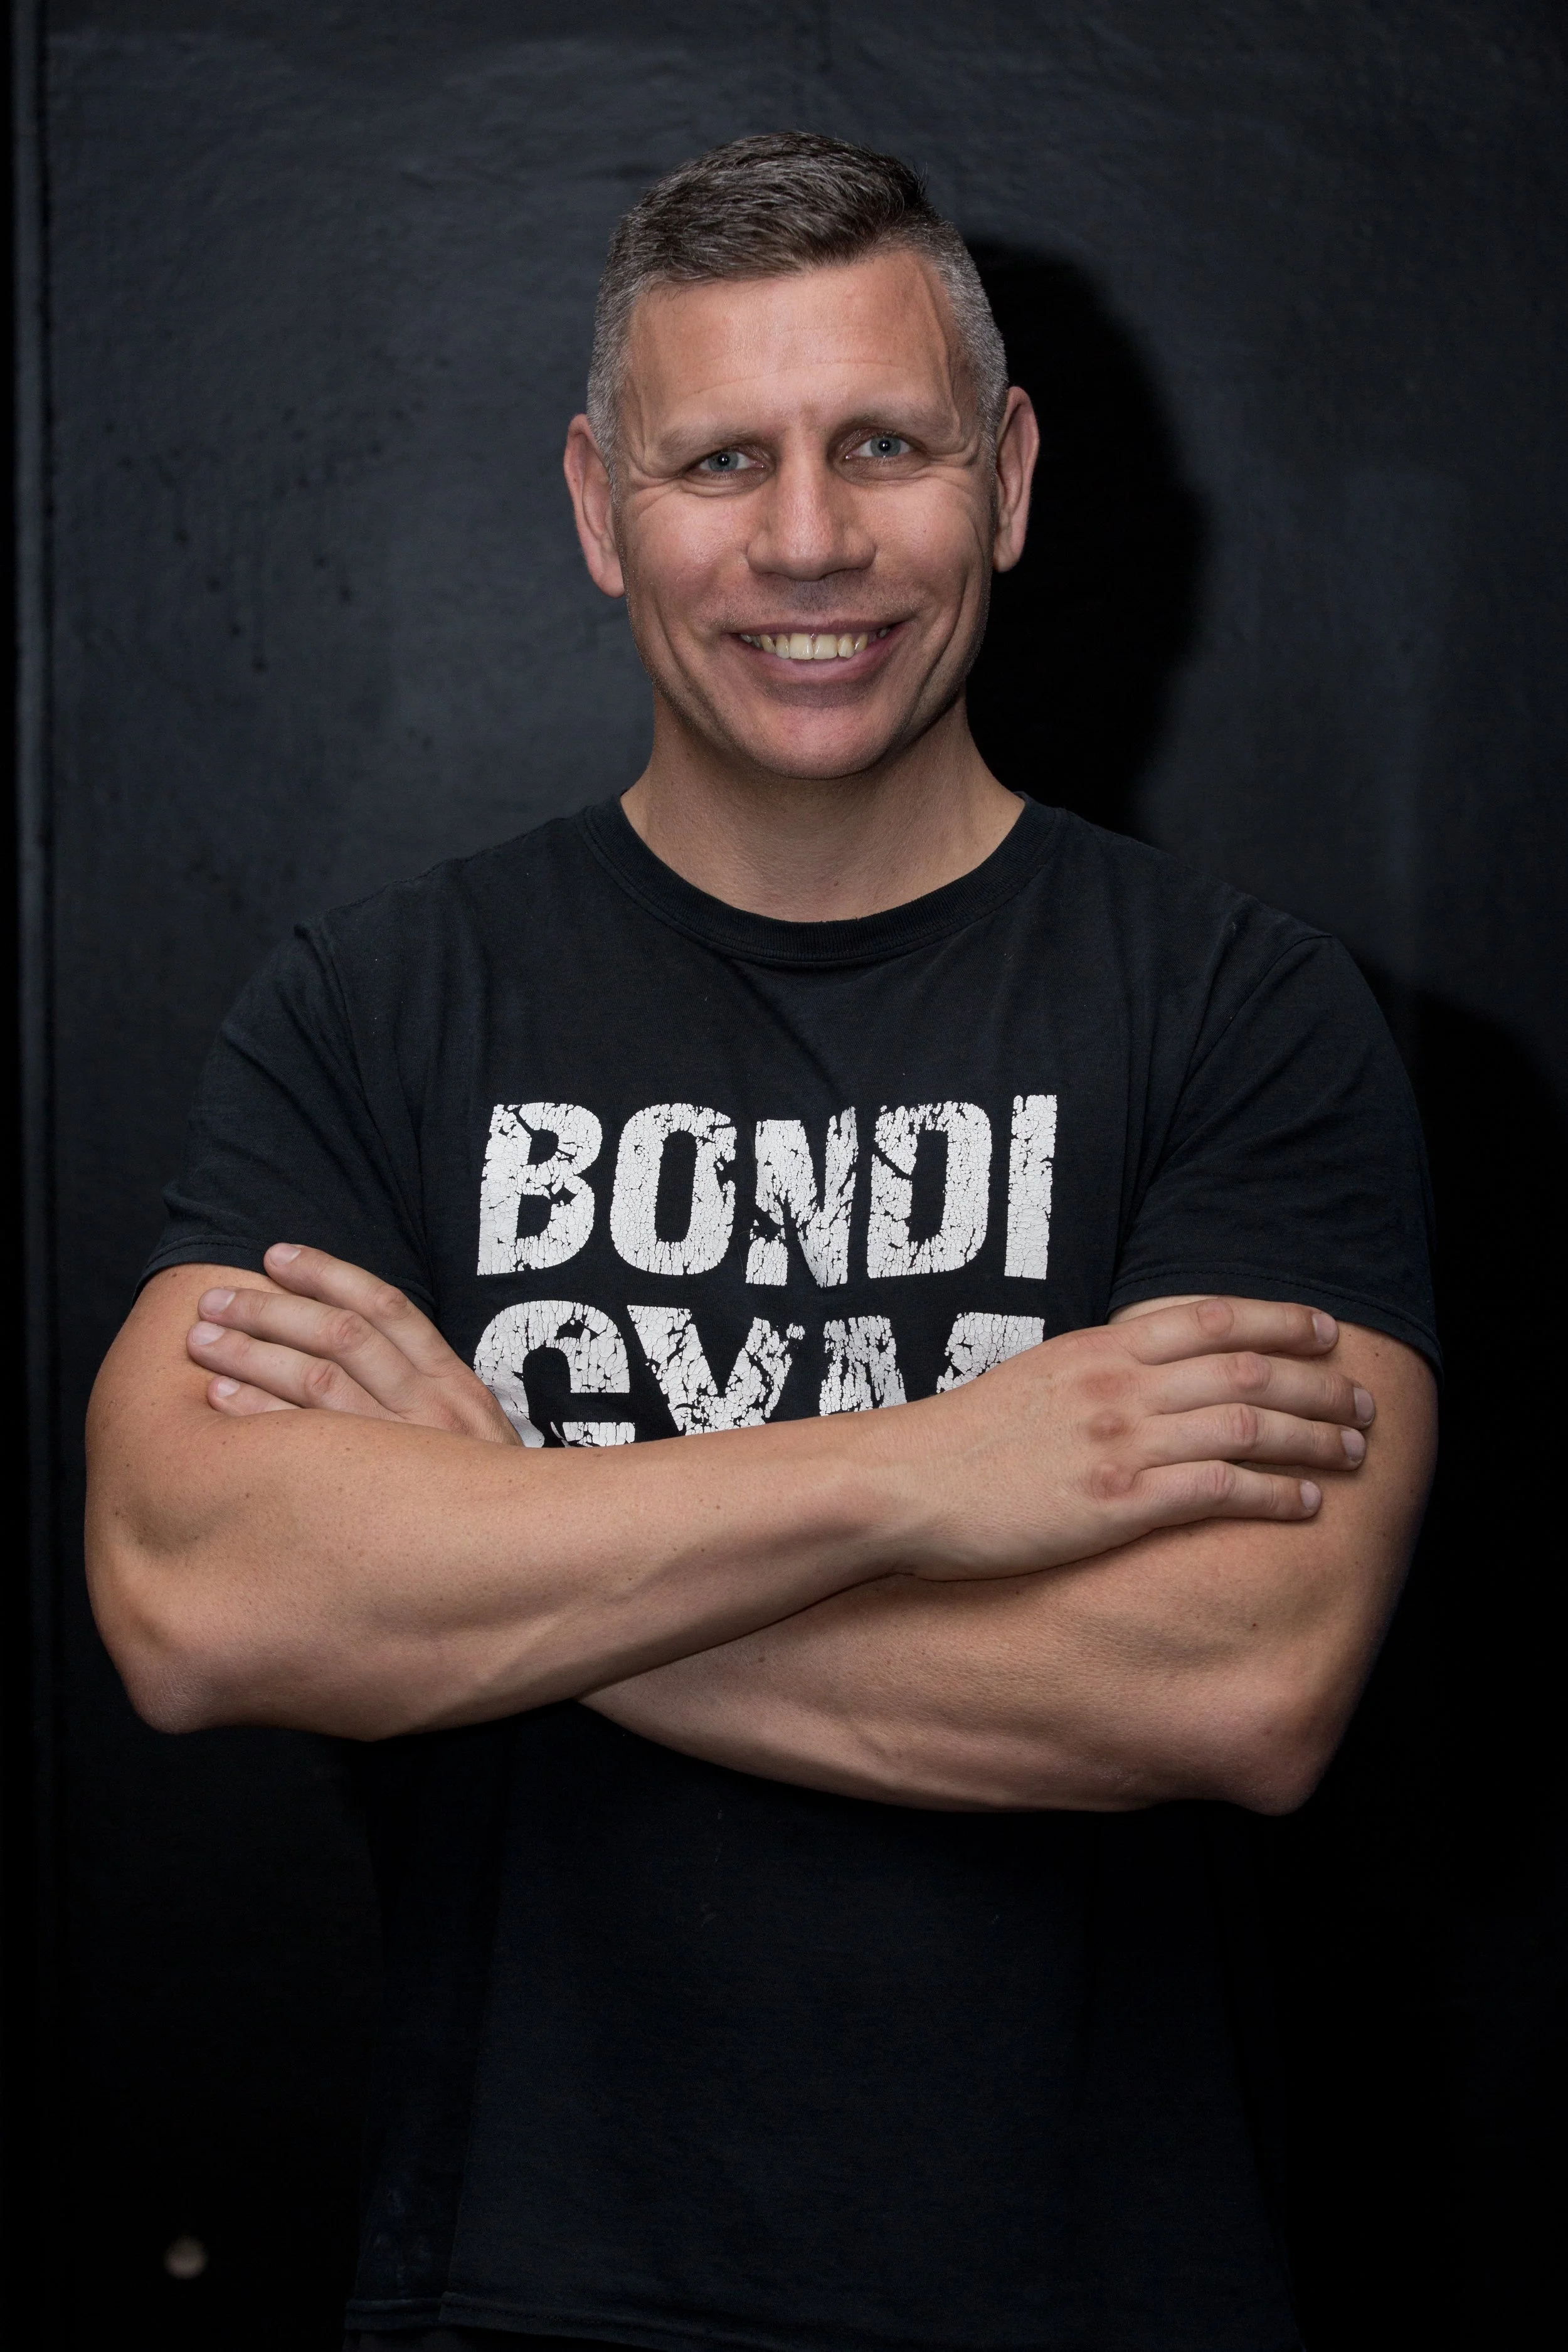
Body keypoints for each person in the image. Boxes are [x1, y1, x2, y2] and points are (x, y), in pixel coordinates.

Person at [86, 132, 1438, 2352]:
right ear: (598, 508)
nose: (805, 541)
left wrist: (492, 1542)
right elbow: (191, 1596)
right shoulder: (383, 1008)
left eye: (879, 445)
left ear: (1000, 477)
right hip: (521, 2298)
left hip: (1099, 2296)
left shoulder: (1237, 1013)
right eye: (719, 460)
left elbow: (1238, 1674)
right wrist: (923, 1473)